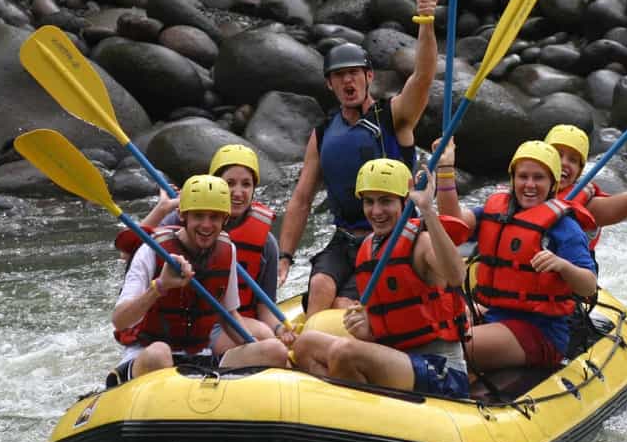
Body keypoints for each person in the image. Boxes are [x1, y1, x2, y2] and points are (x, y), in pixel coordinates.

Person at [279, 0, 439, 314]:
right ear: (329, 84)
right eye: (339, 76)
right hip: (344, 239)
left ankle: (331, 336)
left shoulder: (394, 116)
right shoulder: (323, 133)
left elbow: (423, 76)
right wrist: (285, 257)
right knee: (320, 286)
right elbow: (301, 199)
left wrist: (427, 22)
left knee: (342, 304)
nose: (347, 82)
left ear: (369, 76)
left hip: (391, 238)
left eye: (353, 73)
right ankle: (311, 342)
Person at [292, 159, 469, 398]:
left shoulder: (422, 242)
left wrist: (428, 210)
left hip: (440, 369)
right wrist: (368, 328)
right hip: (398, 361)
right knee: (305, 344)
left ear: (404, 202)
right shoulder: (368, 248)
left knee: (345, 353)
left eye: (386, 201)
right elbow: (384, 327)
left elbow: (457, 276)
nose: (376, 212)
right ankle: (343, 406)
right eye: (369, 202)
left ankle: (354, 408)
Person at [109, 175, 288, 386]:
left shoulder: (226, 250)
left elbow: (229, 316)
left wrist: (256, 348)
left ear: (225, 220)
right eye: (198, 216)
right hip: (148, 355)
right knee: (160, 353)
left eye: (214, 217)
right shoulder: (151, 249)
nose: (206, 225)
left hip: (199, 360)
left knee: (274, 350)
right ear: (182, 215)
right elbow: (119, 321)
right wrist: (159, 287)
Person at [435, 140, 598, 371]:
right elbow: (453, 225)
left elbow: (589, 286)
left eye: (538, 178)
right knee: (430, 330)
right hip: (495, 315)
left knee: (449, 346)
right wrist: (445, 171)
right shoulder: (496, 211)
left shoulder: (565, 227)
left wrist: (562, 265)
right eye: (523, 177)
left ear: (552, 183)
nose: (529, 185)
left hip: (541, 332)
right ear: (513, 179)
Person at [113, 144, 293, 344]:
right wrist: (162, 209)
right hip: (191, 323)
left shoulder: (266, 243)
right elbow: (130, 252)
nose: (238, 192)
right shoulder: (183, 221)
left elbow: (264, 307)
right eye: (230, 183)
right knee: (263, 335)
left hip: (234, 319)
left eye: (246, 184)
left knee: (267, 336)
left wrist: (280, 329)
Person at [545, 109, 627, 251]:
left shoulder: (589, 207)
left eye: (573, 160)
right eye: (558, 155)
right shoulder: (524, 193)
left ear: (579, 171)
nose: (564, 163)